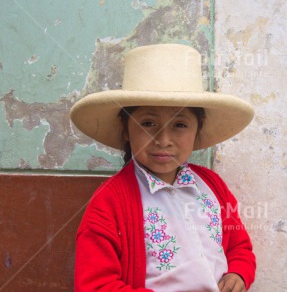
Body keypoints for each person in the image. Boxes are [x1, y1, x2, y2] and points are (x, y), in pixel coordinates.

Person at [70, 44, 256, 292]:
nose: (163, 139)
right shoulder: (109, 202)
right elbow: (96, 285)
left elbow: (238, 246)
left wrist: (239, 273)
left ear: (197, 128)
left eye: (180, 125)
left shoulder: (213, 187)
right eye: (148, 123)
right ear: (125, 128)